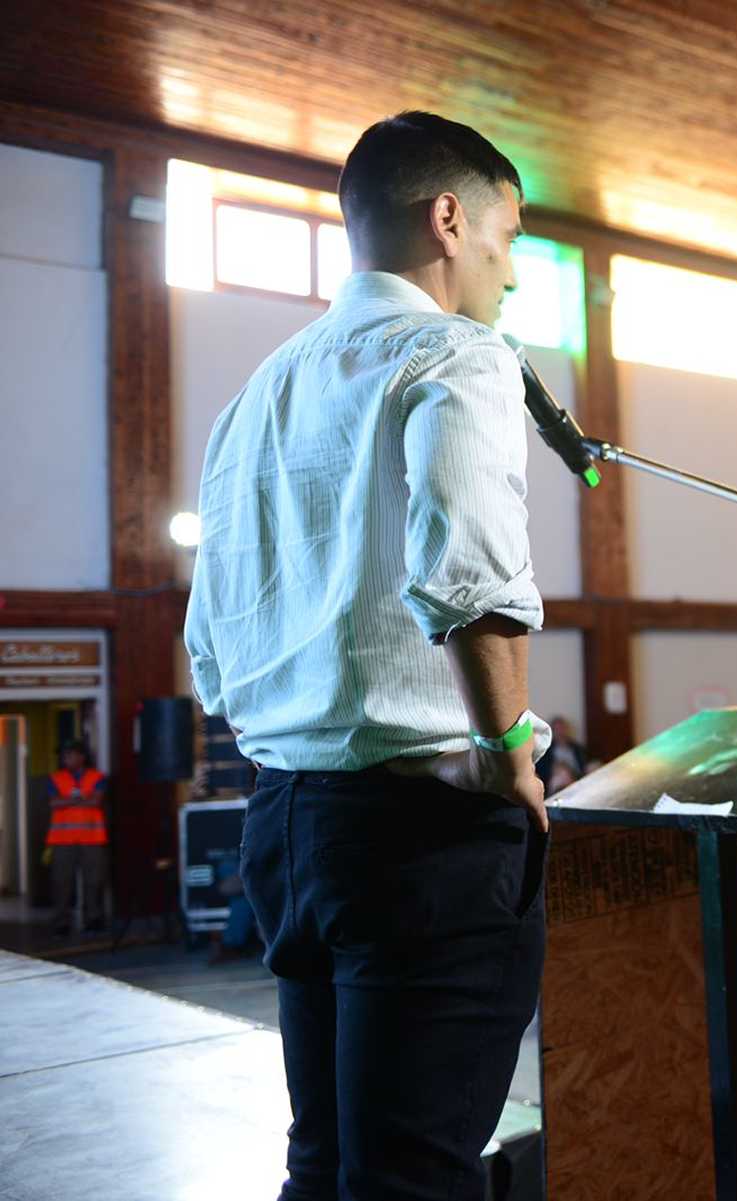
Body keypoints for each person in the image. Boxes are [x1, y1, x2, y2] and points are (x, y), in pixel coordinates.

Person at [184, 112, 552, 1200]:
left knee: (331, 1162)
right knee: (413, 1178)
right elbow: (473, 576)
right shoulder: (456, 351)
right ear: (449, 218)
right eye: (511, 234)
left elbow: (211, 632)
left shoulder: (258, 392)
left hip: (287, 821)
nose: (514, 270)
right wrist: (509, 750)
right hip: (420, 830)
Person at [44, 738, 108, 936]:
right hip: (63, 841)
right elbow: (54, 803)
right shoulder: (55, 778)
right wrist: (81, 798)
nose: (66, 759)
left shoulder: (97, 777)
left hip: (92, 839)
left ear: (81, 756)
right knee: (62, 882)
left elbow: (95, 802)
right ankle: (61, 921)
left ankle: (93, 918)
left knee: (94, 880)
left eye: (70, 755)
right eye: (64, 756)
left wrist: (69, 800)